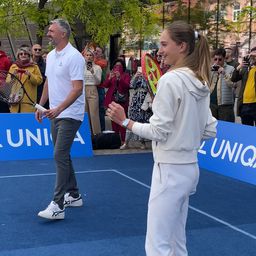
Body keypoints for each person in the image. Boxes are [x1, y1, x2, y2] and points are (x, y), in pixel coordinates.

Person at [107, 20, 217, 256]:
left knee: (157, 245)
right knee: (177, 240)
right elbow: (210, 130)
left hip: (169, 169)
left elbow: (158, 132)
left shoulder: (171, 80)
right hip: (189, 169)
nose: (160, 50)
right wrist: (185, 135)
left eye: (165, 44)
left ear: (183, 46)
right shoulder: (201, 81)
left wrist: (125, 121)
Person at [35, 18, 85, 220]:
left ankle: (58, 204)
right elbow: (48, 82)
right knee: (62, 155)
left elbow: (77, 89)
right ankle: (74, 195)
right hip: (55, 112)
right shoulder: (51, 57)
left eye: (51, 30)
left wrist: (59, 108)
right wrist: (41, 105)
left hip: (70, 114)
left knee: (59, 154)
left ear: (63, 34)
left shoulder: (74, 57)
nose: (48, 33)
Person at [120, 66, 153, 150]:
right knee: (132, 119)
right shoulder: (137, 76)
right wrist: (136, 76)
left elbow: (151, 88)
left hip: (145, 99)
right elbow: (131, 85)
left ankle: (142, 142)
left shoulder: (150, 75)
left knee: (143, 120)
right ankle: (126, 142)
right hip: (136, 99)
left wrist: (147, 78)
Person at [102, 58, 130, 146]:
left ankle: (123, 140)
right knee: (113, 120)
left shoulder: (126, 75)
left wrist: (119, 78)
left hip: (122, 101)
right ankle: (115, 140)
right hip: (111, 100)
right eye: (116, 66)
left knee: (122, 120)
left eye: (120, 66)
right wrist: (110, 78)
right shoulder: (111, 75)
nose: (117, 68)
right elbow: (105, 85)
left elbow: (126, 86)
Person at [9, 46, 43, 113]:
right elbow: (8, 81)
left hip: (28, 99)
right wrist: (13, 76)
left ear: (29, 55)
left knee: (27, 120)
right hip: (15, 99)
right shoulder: (13, 66)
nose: (23, 55)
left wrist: (30, 75)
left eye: (25, 54)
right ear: (18, 56)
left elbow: (39, 81)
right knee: (15, 120)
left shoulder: (34, 66)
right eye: (21, 54)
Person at [231, 46, 256, 126]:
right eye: (252, 55)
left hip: (255, 104)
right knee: (247, 131)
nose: (253, 57)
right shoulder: (246, 69)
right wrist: (239, 67)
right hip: (244, 104)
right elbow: (234, 79)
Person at [209, 48, 235, 122]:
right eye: (215, 59)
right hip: (212, 103)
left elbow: (233, 84)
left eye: (220, 59)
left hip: (225, 105)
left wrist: (224, 73)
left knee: (226, 129)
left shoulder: (231, 69)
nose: (217, 61)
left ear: (224, 59)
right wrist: (210, 70)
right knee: (212, 129)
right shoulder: (211, 69)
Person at [83, 48, 102, 135]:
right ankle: (87, 134)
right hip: (83, 90)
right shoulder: (81, 67)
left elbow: (98, 81)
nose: (89, 57)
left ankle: (96, 135)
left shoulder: (97, 68)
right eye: (87, 55)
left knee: (94, 114)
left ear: (93, 57)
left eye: (91, 55)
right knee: (84, 114)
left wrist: (92, 72)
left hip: (92, 89)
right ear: (84, 56)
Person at [94, 46, 108, 131]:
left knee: (100, 110)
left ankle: (102, 129)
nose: (95, 52)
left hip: (99, 89)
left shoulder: (103, 62)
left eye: (98, 51)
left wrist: (92, 58)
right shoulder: (92, 61)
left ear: (101, 54)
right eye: (95, 51)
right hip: (91, 87)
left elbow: (95, 65)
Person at [32, 43, 49, 109]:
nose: (37, 51)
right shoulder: (28, 62)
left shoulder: (45, 65)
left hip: (41, 91)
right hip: (30, 91)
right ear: (32, 51)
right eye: (35, 49)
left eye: (39, 50)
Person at [0, 40, 12, 113]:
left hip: (3, 92)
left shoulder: (6, 60)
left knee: (3, 110)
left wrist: (3, 83)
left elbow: (10, 76)